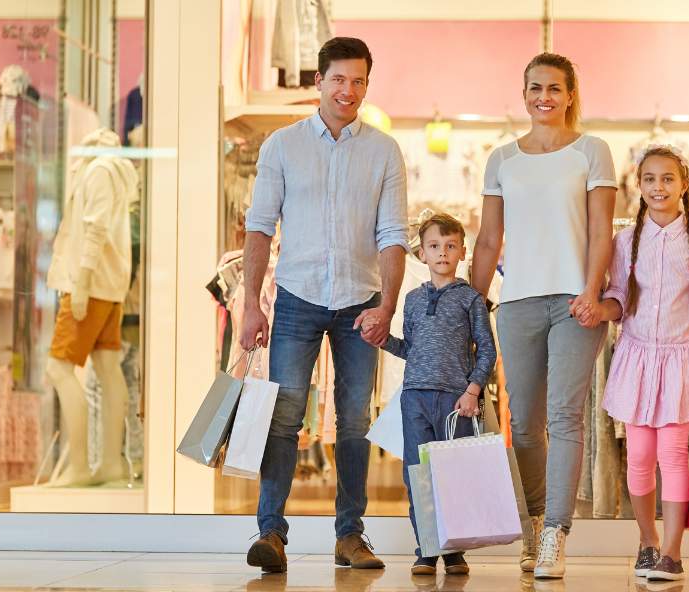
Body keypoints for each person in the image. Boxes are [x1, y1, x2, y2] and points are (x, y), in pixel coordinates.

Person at [239, 36, 409, 573]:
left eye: (359, 81)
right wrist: (249, 303)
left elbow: (393, 235)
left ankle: (350, 536)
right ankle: (271, 534)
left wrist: (388, 306)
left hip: (362, 300)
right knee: (285, 418)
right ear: (319, 81)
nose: (349, 90)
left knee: (355, 421)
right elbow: (260, 227)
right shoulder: (282, 146)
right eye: (339, 79)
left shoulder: (384, 151)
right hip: (296, 296)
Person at [471, 53, 616, 579]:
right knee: (526, 426)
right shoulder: (502, 159)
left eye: (554, 88)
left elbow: (603, 231)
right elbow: (489, 240)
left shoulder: (592, 152)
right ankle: (534, 524)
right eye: (535, 88)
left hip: (576, 303)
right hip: (518, 303)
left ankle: (557, 531)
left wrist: (592, 289)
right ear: (524, 92)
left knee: (565, 418)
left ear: (570, 95)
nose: (544, 97)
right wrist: (471, 305)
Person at [578, 144, 689, 583]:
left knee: (673, 455)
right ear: (638, 185)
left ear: (684, 185)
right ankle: (646, 541)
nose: (658, 187)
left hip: (681, 361)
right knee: (639, 456)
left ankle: (672, 551)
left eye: (667, 178)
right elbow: (619, 301)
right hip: (637, 356)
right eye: (649, 179)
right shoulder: (625, 240)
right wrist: (597, 309)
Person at [372, 213, 497, 577]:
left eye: (450, 246)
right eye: (434, 246)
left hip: (456, 402)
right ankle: (427, 549)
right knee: (418, 476)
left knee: (453, 476)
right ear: (421, 253)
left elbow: (486, 351)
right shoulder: (410, 300)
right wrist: (384, 342)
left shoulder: (471, 299)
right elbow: (411, 348)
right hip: (414, 399)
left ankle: (454, 550)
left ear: (461, 252)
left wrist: (473, 390)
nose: (442, 252)